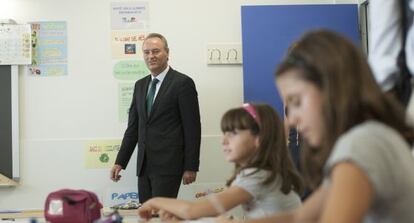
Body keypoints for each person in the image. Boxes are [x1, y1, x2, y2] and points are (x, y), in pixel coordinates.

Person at [219, 30, 414, 223]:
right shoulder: (368, 137)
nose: (292, 119)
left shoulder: (360, 145)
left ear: (331, 88)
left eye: (297, 102)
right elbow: (299, 217)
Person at [138, 103, 303, 220]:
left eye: (233, 133)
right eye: (224, 133)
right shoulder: (255, 174)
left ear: (258, 138)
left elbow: (192, 210)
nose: (224, 141)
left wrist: (154, 201)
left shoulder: (258, 177)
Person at [110, 33, 201, 203]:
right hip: (144, 166)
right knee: (147, 215)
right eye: (146, 52)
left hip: (169, 166)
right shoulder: (140, 85)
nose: (151, 56)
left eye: (156, 51)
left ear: (167, 52)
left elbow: (193, 129)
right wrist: (120, 162)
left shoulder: (182, 83)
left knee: (162, 215)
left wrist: (191, 166)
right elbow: (133, 129)